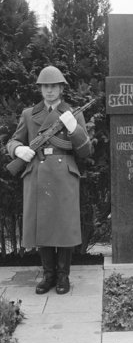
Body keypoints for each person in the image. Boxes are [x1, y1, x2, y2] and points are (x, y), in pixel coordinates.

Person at [7, 65, 92, 295]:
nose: (50, 91)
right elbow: (12, 141)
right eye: (45, 86)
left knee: (63, 227)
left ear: (61, 88)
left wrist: (74, 130)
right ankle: (48, 275)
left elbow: (85, 151)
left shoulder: (73, 113)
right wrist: (18, 151)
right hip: (38, 173)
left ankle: (63, 276)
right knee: (43, 225)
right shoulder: (29, 114)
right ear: (40, 89)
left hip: (64, 174)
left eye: (54, 86)